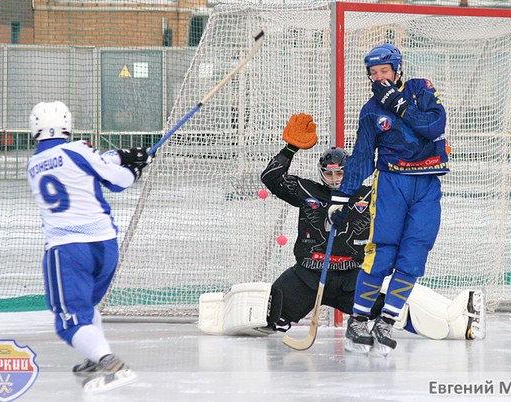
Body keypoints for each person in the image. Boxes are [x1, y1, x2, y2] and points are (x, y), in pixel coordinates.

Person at [198, 114, 483, 345]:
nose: (334, 179)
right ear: (321, 173)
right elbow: (270, 177)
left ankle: (457, 324)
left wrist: (422, 159)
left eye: (340, 173)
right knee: (268, 316)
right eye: (329, 173)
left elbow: (405, 193)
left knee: (391, 312)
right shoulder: (307, 191)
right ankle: (220, 313)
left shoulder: (368, 194)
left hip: (352, 277)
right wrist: (290, 148)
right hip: (308, 275)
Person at [328, 43, 450, 355]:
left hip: (426, 183)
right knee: (382, 252)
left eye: (384, 71)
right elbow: (363, 158)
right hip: (392, 181)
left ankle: (387, 320)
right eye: (373, 74)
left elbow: (433, 125)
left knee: (414, 253)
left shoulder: (419, 89)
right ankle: (358, 321)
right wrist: (341, 198)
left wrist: (397, 104)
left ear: (397, 70)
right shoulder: (371, 111)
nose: (379, 78)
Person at [26, 101, 153, 392]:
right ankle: (95, 356)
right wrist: (135, 166)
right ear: (67, 124)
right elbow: (118, 181)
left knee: (69, 319)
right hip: (105, 245)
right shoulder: (80, 150)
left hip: (67, 248)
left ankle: (110, 363)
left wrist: (119, 158)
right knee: (87, 306)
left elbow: (90, 162)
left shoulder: (34, 164)